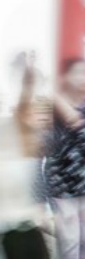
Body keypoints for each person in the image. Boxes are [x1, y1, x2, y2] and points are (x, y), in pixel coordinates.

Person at [44, 59, 85, 259]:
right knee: (69, 243)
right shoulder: (52, 108)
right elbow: (45, 145)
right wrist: (59, 104)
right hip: (61, 184)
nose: (84, 78)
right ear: (65, 77)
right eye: (78, 72)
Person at [0, 54, 50, 259]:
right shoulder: (10, 132)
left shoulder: (12, 131)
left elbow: (24, 103)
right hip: (12, 232)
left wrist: (28, 78)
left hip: (25, 228)